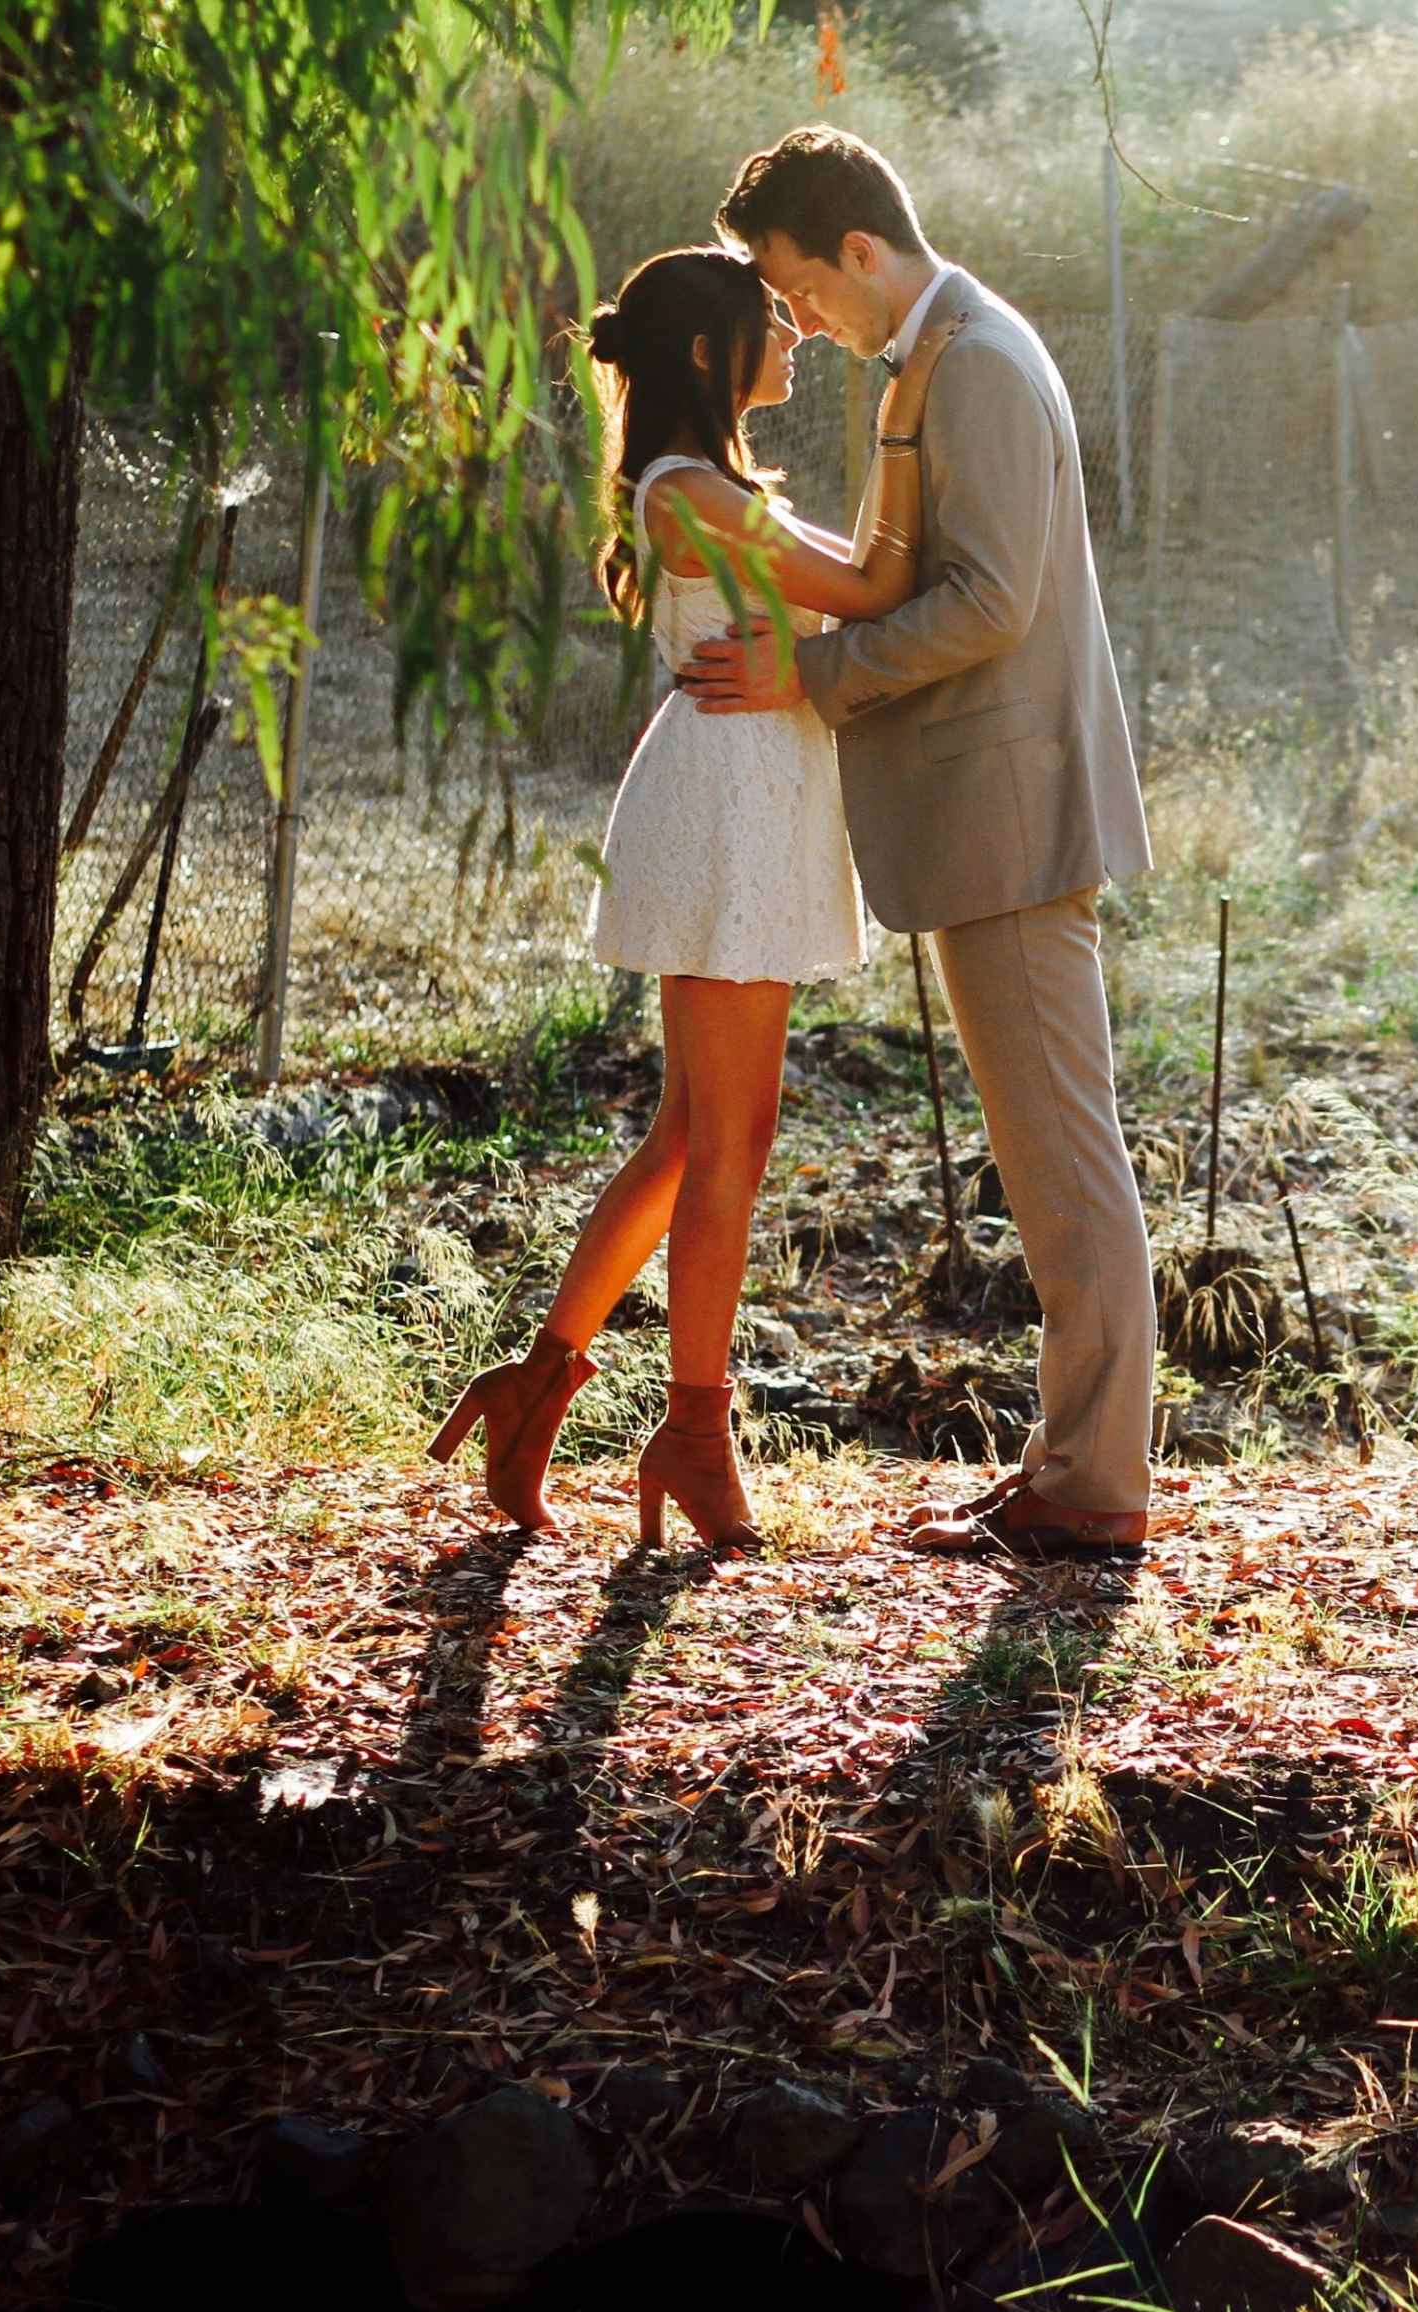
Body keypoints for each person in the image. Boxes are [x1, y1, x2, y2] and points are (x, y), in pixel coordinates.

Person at [682, 126, 1159, 1563]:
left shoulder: (984, 365)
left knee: (1064, 1161)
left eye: (800, 288)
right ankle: (1075, 1466)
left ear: (861, 252)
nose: (799, 321)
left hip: (1010, 816)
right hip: (981, 815)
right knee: (1047, 1158)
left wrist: (815, 679)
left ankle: (1092, 1486)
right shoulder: (939, 356)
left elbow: (992, 603)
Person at [428, 243, 927, 1548]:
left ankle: (537, 1393)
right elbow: (880, 586)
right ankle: (693, 1435)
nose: (799, 336)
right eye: (776, 320)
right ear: (709, 355)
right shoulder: (692, 489)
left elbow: (864, 581)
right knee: (727, 1146)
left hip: (747, 799)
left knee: (691, 1140)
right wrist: (909, 422)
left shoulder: (709, 482)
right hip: (726, 811)